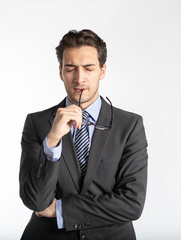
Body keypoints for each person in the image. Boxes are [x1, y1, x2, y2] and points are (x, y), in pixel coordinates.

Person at [19, 29, 148, 240]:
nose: (80, 78)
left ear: (102, 70)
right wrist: (52, 140)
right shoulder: (37, 123)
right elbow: (36, 202)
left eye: (88, 68)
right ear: (61, 72)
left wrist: (60, 210)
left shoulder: (130, 125)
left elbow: (132, 203)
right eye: (71, 68)